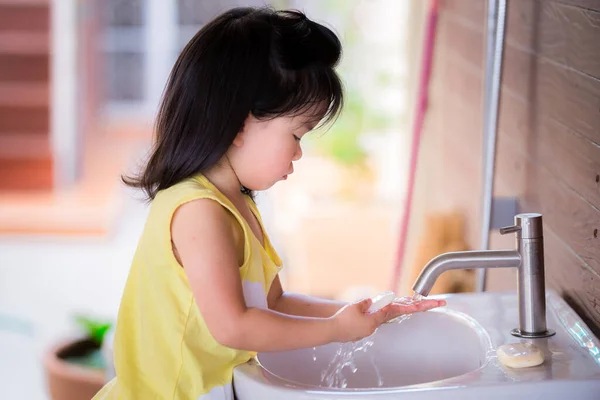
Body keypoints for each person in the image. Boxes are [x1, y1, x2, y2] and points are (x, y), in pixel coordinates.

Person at [93, 7, 445, 400]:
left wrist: (358, 312)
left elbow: (275, 301)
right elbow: (234, 326)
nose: (298, 153)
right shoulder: (198, 211)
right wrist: (334, 330)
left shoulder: (237, 203)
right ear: (242, 124)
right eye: (297, 134)